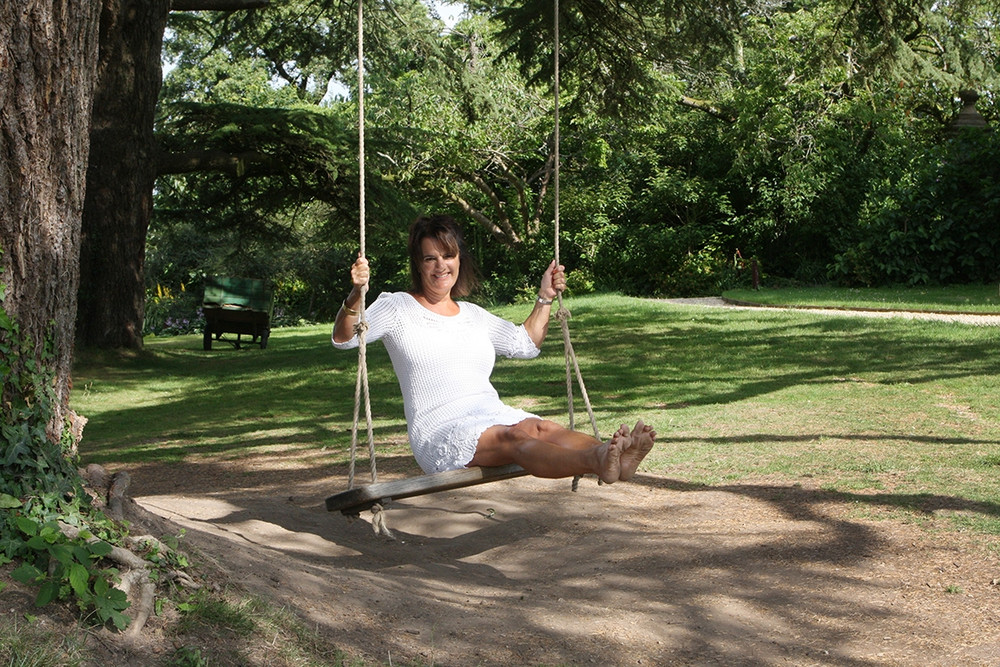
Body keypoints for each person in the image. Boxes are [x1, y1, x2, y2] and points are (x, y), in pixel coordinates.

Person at [332, 214, 655, 484]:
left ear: (459, 260)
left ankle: (615, 459)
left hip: (489, 414)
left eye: (448, 256)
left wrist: (544, 297)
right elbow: (345, 338)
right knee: (515, 438)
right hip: (441, 429)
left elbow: (525, 344)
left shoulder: (473, 314)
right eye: (430, 258)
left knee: (540, 427)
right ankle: (600, 459)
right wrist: (356, 294)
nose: (440, 266)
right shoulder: (398, 307)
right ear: (418, 264)